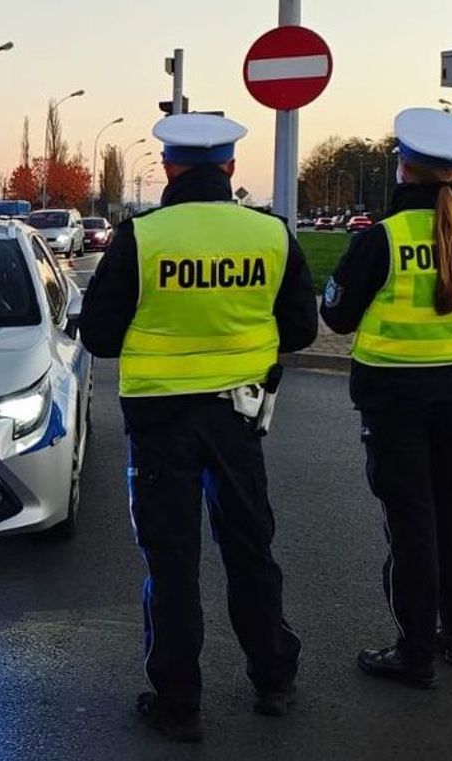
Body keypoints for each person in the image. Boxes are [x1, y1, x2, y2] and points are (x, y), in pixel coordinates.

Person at [79, 113, 318, 742]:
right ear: (232, 169)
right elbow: (300, 331)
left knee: (173, 560)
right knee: (249, 548)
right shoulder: (270, 235)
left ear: (168, 168)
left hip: (160, 421)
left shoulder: (142, 238)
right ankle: (274, 679)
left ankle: (178, 702)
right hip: (240, 418)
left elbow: (99, 337)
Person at [320, 108, 452, 689]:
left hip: (394, 402)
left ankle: (415, 651)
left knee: (412, 526)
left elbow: (338, 315)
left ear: (404, 170)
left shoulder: (383, 239)